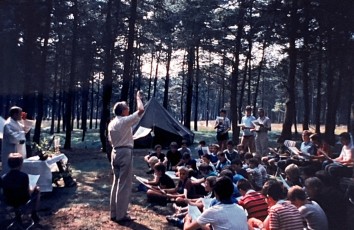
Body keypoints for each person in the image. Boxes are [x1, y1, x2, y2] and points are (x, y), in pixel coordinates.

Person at [108, 91, 144, 223]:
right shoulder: (124, 121)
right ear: (123, 111)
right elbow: (141, 110)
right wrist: (138, 98)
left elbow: (110, 141)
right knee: (124, 185)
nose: (129, 109)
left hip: (115, 151)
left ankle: (113, 213)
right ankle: (121, 215)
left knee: (116, 183)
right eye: (127, 107)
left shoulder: (112, 123)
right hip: (124, 152)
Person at [183, 176, 248, 230]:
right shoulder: (240, 209)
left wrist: (187, 220)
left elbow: (187, 228)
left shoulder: (213, 211)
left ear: (216, 193)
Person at [1, 153, 41, 224]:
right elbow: (28, 192)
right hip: (22, 200)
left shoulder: (4, 177)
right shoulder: (24, 176)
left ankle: (18, 216)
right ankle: (34, 213)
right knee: (37, 189)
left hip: (8, 201)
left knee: (15, 194)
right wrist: (33, 186)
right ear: (20, 164)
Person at [1, 106, 31, 175]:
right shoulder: (8, 124)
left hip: (19, 148)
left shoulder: (16, 122)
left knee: (19, 167)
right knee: (9, 169)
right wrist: (22, 134)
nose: (21, 115)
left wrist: (24, 120)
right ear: (15, 114)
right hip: (11, 150)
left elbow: (25, 129)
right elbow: (12, 136)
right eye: (20, 114)